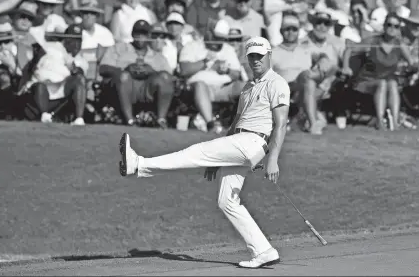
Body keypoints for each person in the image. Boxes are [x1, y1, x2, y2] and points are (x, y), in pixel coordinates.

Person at [118, 36, 290, 269]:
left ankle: (139, 165)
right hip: (239, 141)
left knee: (196, 151)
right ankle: (264, 250)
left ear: (269, 55)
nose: (256, 60)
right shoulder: (248, 87)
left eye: (260, 55)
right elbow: (236, 123)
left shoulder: (277, 83)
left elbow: (280, 124)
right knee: (227, 201)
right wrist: (217, 159)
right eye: (252, 56)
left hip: (253, 142)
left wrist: (274, 159)